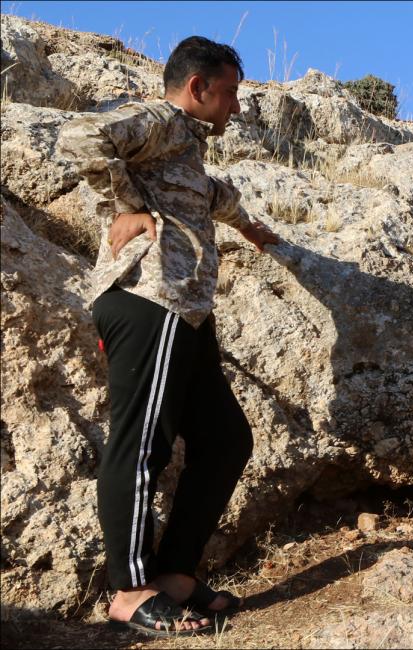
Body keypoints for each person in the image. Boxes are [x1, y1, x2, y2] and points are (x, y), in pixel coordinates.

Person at [58, 36, 279, 637]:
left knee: (227, 439)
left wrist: (253, 231)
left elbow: (209, 197)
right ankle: (129, 591)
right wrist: (122, 203)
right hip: (147, 301)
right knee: (141, 444)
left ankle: (177, 577)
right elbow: (81, 138)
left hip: (187, 314)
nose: (236, 106)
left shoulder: (186, 149)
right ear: (197, 88)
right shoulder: (161, 120)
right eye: (229, 92)